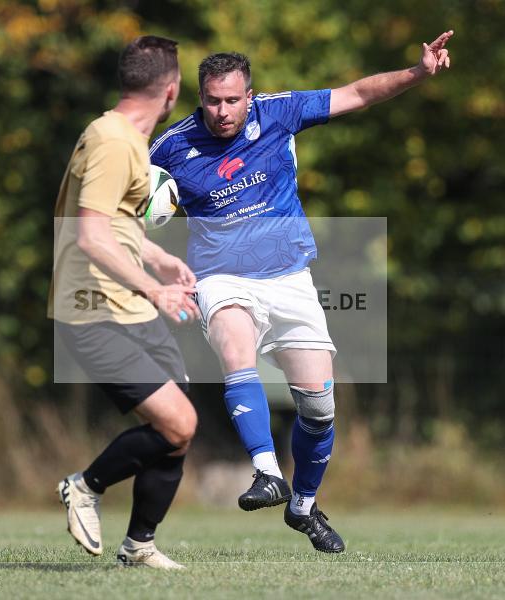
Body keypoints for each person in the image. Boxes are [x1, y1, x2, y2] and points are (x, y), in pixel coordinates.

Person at [149, 31, 454, 553]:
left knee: (319, 407)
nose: (223, 112)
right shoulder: (170, 148)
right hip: (221, 276)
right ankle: (267, 472)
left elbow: (357, 93)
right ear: (201, 99)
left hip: (290, 277)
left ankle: (303, 505)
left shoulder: (280, 113)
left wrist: (418, 72)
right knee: (235, 350)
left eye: (232, 100)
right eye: (213, 101)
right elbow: (126, 201)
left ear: (250, 95)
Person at [49, 35, 200, 570]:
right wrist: (154, 288)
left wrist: (156, 258)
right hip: (95, 312)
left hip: (127, 307)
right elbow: (90, 237)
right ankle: (85, 486)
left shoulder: (119, 137)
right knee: (177, 423)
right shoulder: (116, 142)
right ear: (172, 89)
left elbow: (116, 225)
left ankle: (139, 546)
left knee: (178, 431)